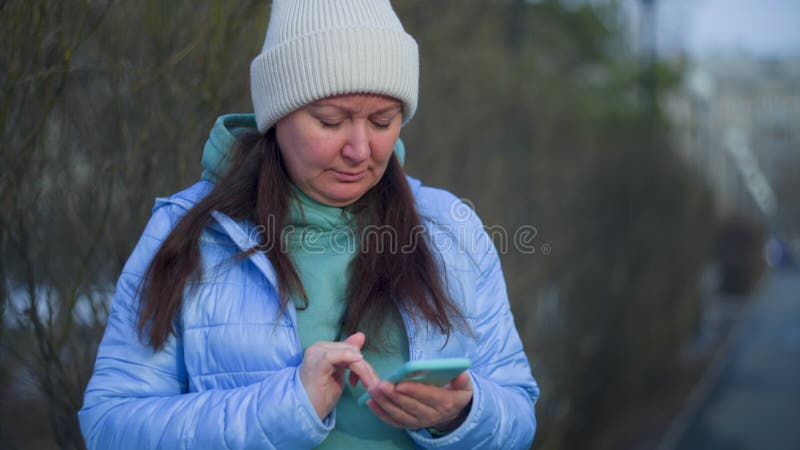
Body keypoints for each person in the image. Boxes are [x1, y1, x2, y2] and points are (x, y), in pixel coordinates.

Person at [78, 1, 539, 448]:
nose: (360, 149)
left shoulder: (449, 226)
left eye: (382, 121)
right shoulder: (191, 232)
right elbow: (109, 425)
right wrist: (284, 408)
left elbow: (519, 410)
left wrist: (462, 414)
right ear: (277, 117)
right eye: (331, 121)